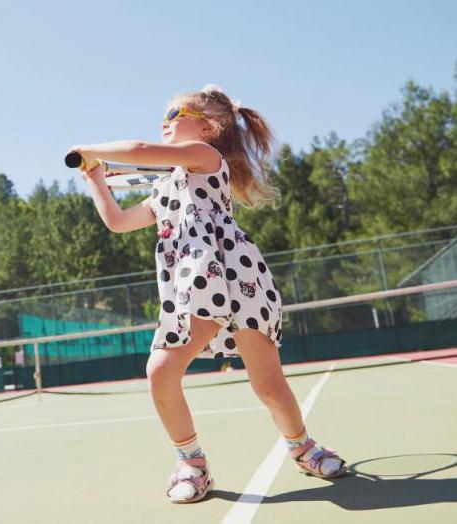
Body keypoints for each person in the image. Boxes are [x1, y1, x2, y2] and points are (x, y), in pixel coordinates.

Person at [68, 84, 347, 504]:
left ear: (208, 125)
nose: (164, 123)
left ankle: (302, 447)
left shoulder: (204, 156)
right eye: (162, 117)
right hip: (195, 287)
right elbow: (120, 222)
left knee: (269, 386)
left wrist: (91, 149)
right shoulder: (165, 189)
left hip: (240, 280)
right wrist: (95, 179)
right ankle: (192, 465)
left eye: (174, 113)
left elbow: (141, 149)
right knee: (161, 372)